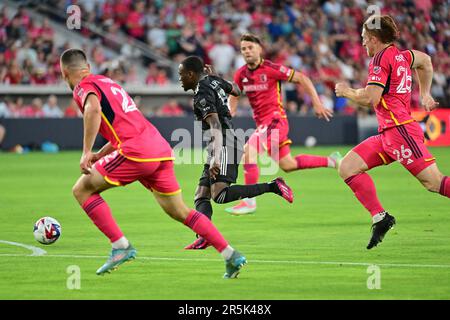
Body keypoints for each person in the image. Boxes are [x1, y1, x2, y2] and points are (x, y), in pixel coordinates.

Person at [60, 48, 247, 279]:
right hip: (159, 149)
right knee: (180, 211)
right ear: (87, 66)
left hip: (136, 151)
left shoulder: (82, 86)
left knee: (82, 190)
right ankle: (230, 255)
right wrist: (99, 153)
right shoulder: (107, 82)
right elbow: (125, 123)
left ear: (65, 72)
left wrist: (86, 151)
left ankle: (120, 246)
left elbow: (93, 110)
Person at [335, 15, 449, 250]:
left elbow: (370, 97)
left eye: (364, 38)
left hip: (400, 132)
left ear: (374, 39)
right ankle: (380, 217)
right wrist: (425, 93)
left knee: (434, 183)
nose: (363, 43)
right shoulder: (402, 55)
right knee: (347, 167)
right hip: (388, 133)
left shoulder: (380, 58)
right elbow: (425, 61)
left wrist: (346, 92)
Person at [178, 56, 294, 250]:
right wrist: (217, 79)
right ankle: (205, 236)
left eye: (181, 75)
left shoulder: (201, 95)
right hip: (219, 143)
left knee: (219, 195)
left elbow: (215, 124)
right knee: (201, 195)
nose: (180, 79)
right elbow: (237, 90)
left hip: (224, 143)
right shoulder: (212, 80)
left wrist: (215, 158)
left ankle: (273, 186)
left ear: (191, 74)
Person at [226, 34, 341, 215]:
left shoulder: (271, 69)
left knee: (248, 153)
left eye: (250, 47)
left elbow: (303, 78)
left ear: (259, 49)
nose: (247, 51)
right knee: (288, 164)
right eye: (243, 49)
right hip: (263, 125)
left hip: (275, 121)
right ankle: (332, 160)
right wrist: (230, 108)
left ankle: (249, 202)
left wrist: (317, 103)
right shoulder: (241, 73)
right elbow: (234, 92)